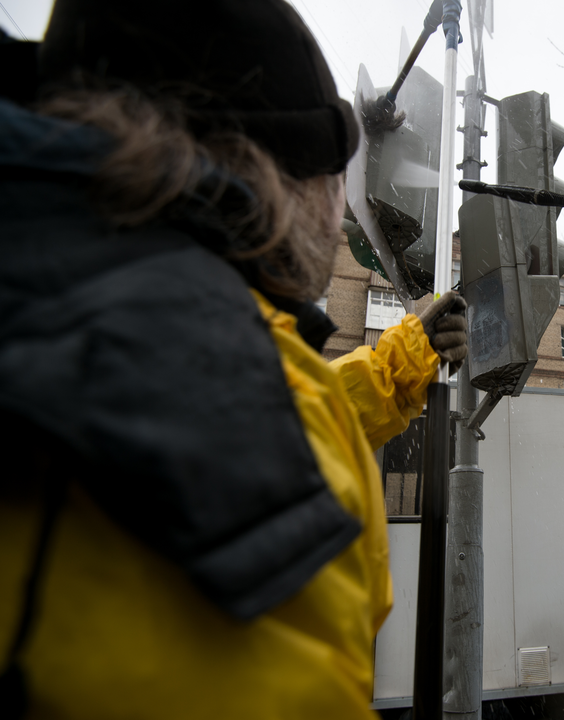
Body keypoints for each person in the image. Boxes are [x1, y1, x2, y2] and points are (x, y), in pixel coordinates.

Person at [0, 1, 466, 718]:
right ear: (276, 172)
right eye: (334, 169)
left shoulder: (97, 307)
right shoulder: (186, 356)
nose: (343, 210)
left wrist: (404, 358)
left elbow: (259, 410)